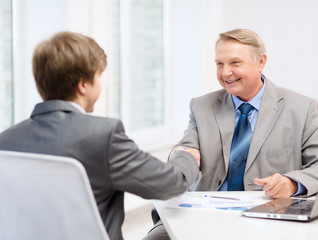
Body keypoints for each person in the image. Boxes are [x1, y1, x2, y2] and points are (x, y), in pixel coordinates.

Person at [0, 31, 200, 240]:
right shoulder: (103, 136)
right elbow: (170, 184)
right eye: (99, 76)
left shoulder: (5, 141)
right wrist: (186, 156)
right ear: (83, 85)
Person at [146, 28, 318, 239]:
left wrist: (292, 183)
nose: (225, 73)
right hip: (203, 215)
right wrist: (182, 154)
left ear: (261, 62)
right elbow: (185, 148)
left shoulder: (301, 108)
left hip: (268, 217)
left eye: (235, 63)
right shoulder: (201, 106)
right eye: (219, 64)